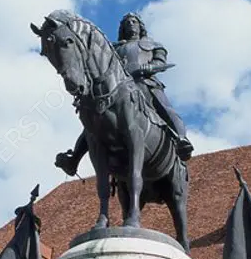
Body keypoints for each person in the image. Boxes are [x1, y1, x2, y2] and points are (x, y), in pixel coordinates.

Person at [56, 12, 193, 176]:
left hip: (144, 83)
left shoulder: (152, 45)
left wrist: (149, 68)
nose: (131, 25)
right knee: (95, 119)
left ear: (140, 26)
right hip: (118, 87)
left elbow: (160, 63)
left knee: (164, 106)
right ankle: (74, 159)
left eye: (134, 22)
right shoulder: (114, 48)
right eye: (127, 22)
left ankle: (182, 139)